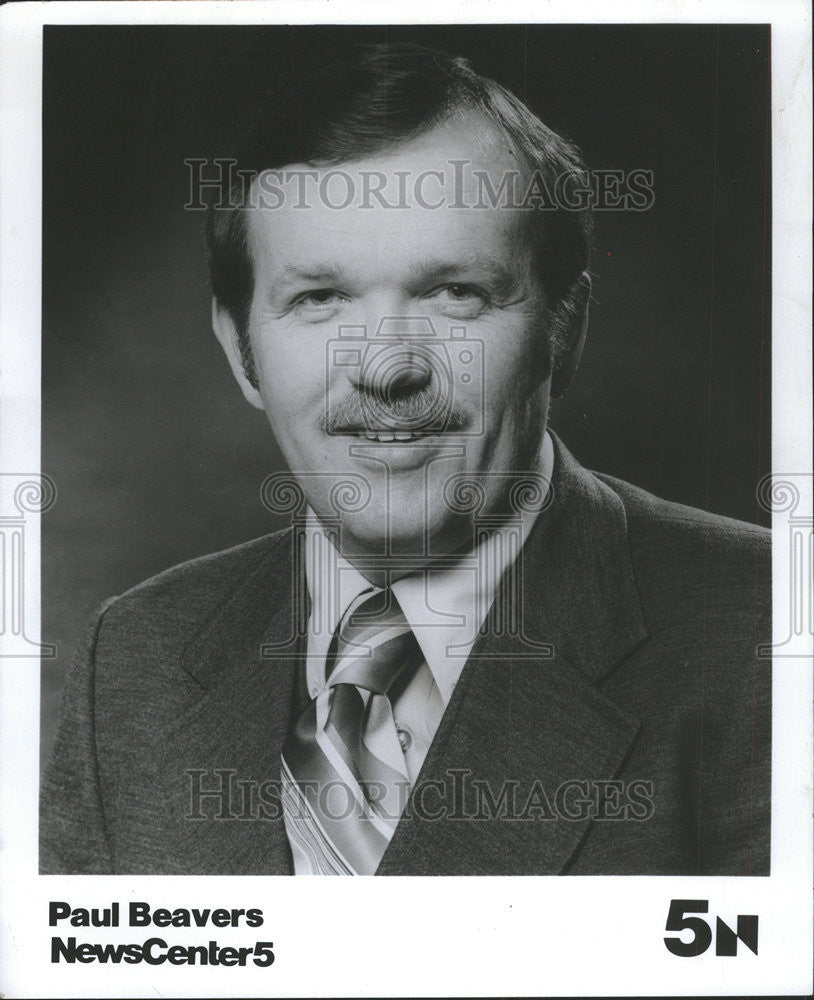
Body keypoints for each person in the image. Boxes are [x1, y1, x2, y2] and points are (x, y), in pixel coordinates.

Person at [41, 42, 771, 876]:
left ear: (563, 330)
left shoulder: (763, 637)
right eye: (319, 299)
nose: (388, 367)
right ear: (240, 350)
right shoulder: (135, 656)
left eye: (455, 292)